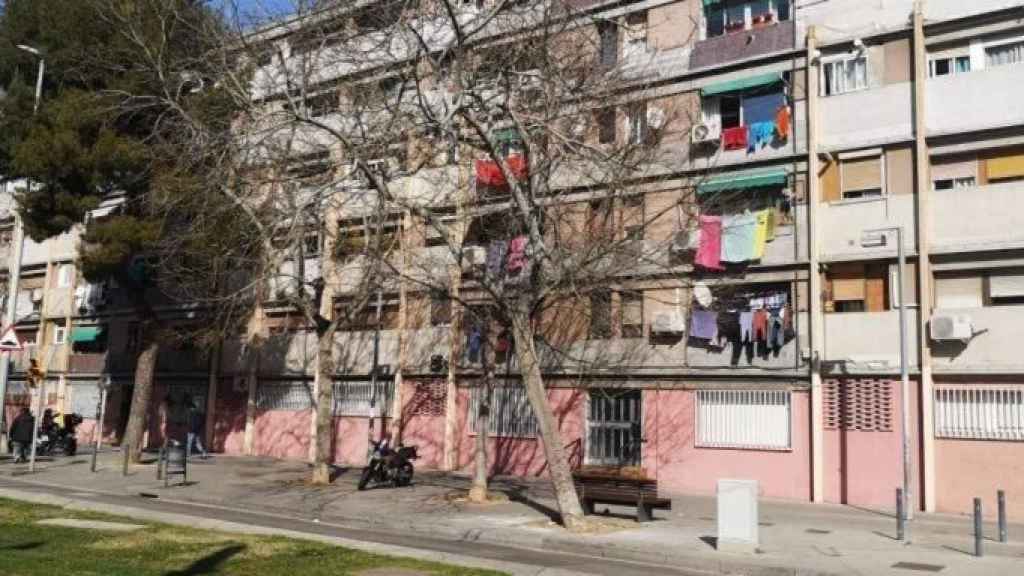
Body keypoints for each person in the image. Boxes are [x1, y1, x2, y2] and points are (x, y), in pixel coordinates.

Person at [184, 394, 208, 460]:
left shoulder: (192, 414)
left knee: (189, 443)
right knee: (198, 443)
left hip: (191, 430)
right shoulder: (199, 413)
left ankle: (188, 454)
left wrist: (190, 428)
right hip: (197, 431)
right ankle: (203, 453)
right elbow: (201, 423)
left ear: (191, 408)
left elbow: (190, 422)